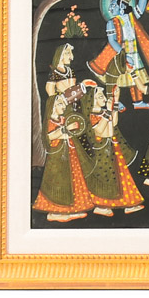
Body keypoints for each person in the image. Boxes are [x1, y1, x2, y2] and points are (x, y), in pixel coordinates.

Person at [88, 0, 149, 109]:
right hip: (118, 53)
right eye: (110, 5)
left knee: (136, 75)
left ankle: (138, 102)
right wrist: (123, 54)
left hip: (134, 51)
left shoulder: (131, 17)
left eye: (113, 4)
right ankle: (114, 102)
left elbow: (141, 7)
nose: (110, 8)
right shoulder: (111, 22)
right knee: (115, 78)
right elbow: (112, 41)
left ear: (122, 5)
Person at [80, 83, 145, 217]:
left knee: (121, 177)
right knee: (105, 180)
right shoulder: (91, 115)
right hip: (102, 152)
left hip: (111, 147)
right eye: (100, 96)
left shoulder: (103, 112)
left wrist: (115, 102)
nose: (104, 98)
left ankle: (128, 203)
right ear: (92, 100)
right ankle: (101, 206)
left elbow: (114, 123)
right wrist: (108, 111)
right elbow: (99, 130)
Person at [32, 90, 95, 222]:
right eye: (60, 104)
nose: (64, 106)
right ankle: (54, 213)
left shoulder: (63, 119)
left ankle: (71, 209)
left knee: (72, 183)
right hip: (57, 159)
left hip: (69, 155)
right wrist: (65, 129)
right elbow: (49, 136)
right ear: (53, 107)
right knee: (58, 185)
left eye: (63, 103)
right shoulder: (50, 121)